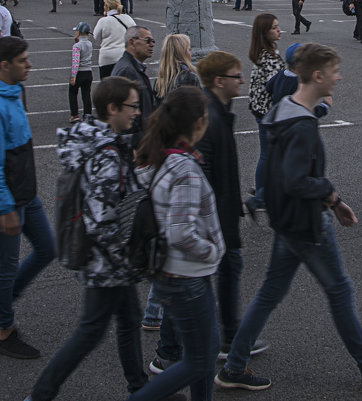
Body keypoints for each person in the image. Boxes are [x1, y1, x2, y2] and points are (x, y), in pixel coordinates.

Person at [217, 44, 362, 393]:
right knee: (339, 290)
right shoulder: (303, 125)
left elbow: (275, 171)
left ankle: (234, 366)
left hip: (285, 220)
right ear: (318, 75)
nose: (339, 78)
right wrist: (333, 196)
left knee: (269, 293)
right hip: (307, 223)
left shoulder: (283, 109)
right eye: (335, 72)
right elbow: (297, 180)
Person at [24, 76, 149, 401]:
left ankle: (142, 388)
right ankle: (40, 393)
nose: (137, 112)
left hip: (109, 261)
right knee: (90, 330)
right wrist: (125, 256)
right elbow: (101, 219)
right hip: (106, 263)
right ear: (112, 109)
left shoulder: (96, 141)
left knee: (129, 319)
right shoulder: (106, 155)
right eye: (132, 107)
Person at [149, 52, 269, 375]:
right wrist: (211, 230)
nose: (241, 81)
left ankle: (219, 340)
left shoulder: (217, 111)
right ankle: (171, 353)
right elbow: (200, 177)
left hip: (219, 218)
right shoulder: (209, 116)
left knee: (218, 276)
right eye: (235, 76)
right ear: (219, 81)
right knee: (192, 285)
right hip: (210, 223)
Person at [129, 87, 226, 401]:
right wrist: (212, 251)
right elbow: (181, 233)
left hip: (179, 275)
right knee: (200, 357)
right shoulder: (184, 169)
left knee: (204, 353)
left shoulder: (164, 157)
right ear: (197, 123)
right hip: (186, 277)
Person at [0, 36, 56, 359]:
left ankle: (0, 303)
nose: (29, 64)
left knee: (48, 249)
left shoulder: (13, 93)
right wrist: (6, 208)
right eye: (23, 60)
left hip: (25, 195)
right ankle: (4, 332)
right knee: (5, 266)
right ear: (5, 65)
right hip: (4, 201)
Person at [247, 14, 284, 208]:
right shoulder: (267, 56)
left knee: (268, 152)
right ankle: (261, 192)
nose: (279, 30)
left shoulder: (268, 51)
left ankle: (261, 187)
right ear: (264, 33)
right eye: (274, 28)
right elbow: (274, 84)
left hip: (261, 108)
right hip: (267, 110)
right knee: (268, 153)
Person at [110, 25, 158, 143]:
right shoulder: (127, 71)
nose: (152, 44)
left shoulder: (133, 68)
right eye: (147, 40)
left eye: (153, 41)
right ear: (132, 42)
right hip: (136, 145)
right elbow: (124, 116)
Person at [91, 0, 135, 80]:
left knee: (107, 88)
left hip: (107, 58)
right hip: (124, 56)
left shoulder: (103, 21)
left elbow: (96, 38)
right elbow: (135, 34)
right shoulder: (128, 18)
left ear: (107, 7)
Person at [155, 33, 202, 98]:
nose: (190, 54)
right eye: (189, 50)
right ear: (182, 53)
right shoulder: (190, 78)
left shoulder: (160, 81)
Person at [68, 22, 94, 123]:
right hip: (88, 71)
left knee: (73, 93)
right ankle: (87, 115)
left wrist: (73, 75)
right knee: (86, 94)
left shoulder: (77, 46)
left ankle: (74, 115)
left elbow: (76, 62)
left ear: (79, 32)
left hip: (79, 72)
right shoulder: (90, 44)